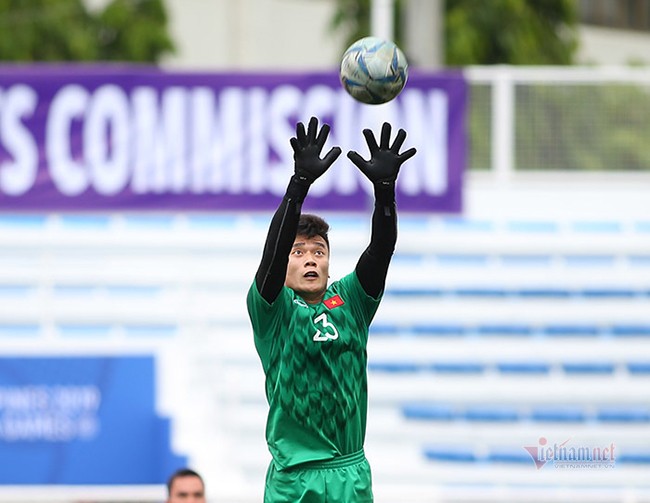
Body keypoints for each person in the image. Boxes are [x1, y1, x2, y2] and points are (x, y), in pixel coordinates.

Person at [246, 116, 417, 502]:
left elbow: (381, 250)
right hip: (294, 479)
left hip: (349, 474)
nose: (310, 259)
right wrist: (298, 186)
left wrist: (385, 193)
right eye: (299, 251)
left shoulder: (352, 301)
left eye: (318, 252)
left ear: (328, 262)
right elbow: (271, 256)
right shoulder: (272, 311)